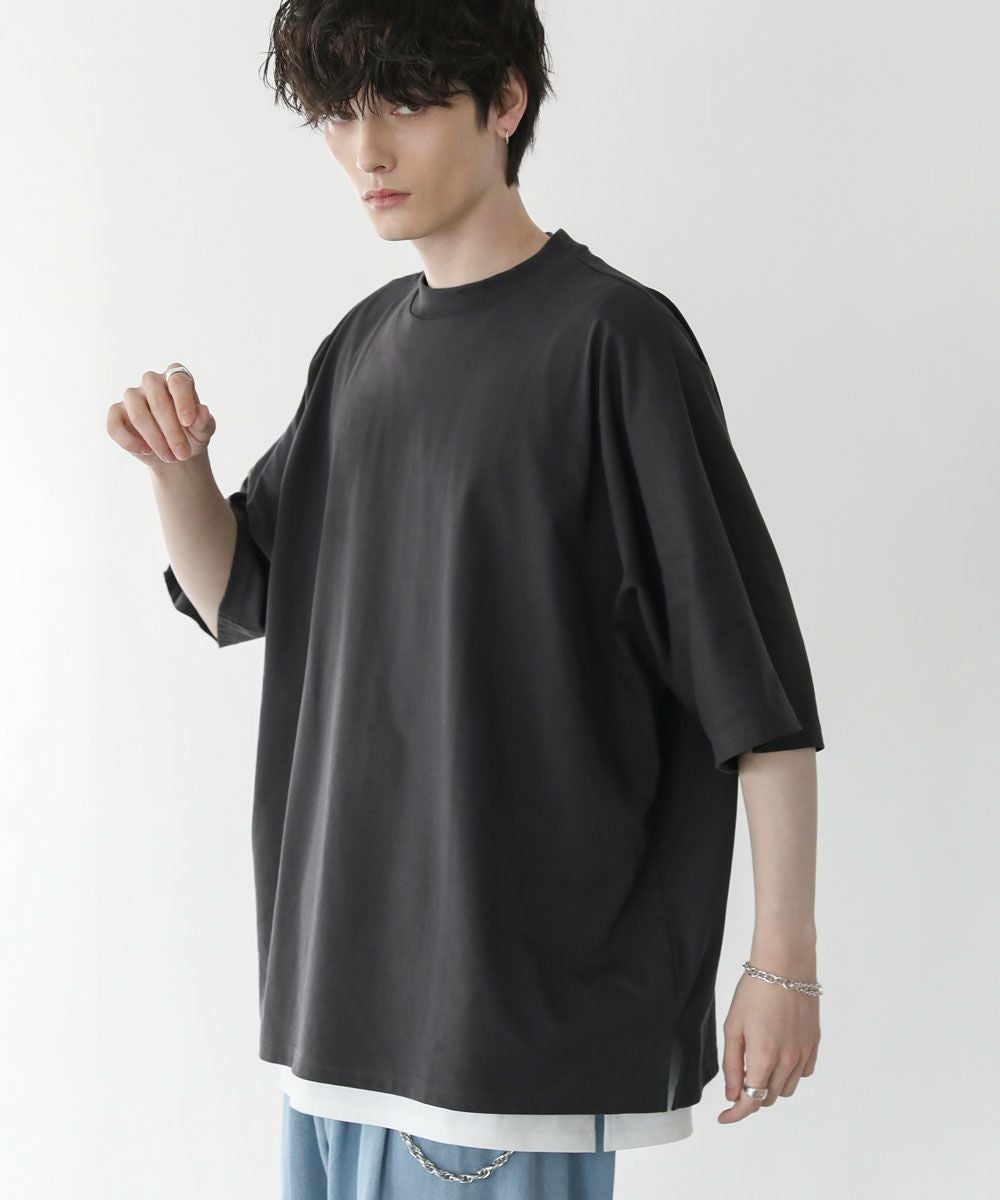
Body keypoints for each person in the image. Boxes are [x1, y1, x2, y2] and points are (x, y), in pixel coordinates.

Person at [107, 2, 825, 1195]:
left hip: (505, 1052)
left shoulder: (613, 342)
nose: (366, 151)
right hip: (336, 1026)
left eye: (405, 103)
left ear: (505, 100)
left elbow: (750, 682)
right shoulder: (361, 351)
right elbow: (239, 593)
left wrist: (781, 960)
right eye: (340, 114)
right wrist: (179, 474)